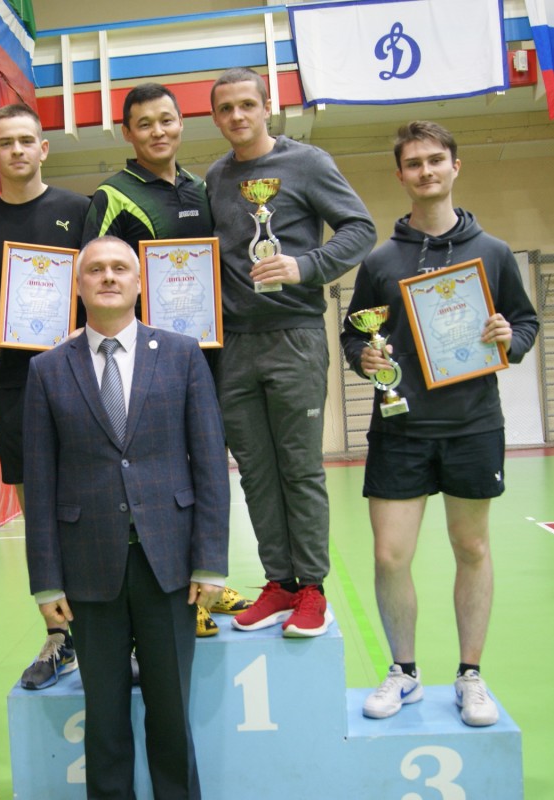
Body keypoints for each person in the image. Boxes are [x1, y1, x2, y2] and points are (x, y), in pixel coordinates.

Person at [339, 120, 539, 727]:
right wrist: (364, 356)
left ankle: (470, 675)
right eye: (414, 163)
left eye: (435, 160)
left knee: (471, 546)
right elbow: (354, 333)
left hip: (473, 424)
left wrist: (508, 339)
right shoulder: (381, 260)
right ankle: (403, 671)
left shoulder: (493, 252)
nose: (426, 171)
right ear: (400, 175)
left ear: (455, 166)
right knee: (389, 555)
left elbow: (525, 322)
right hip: (400, 427)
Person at [24, 236, 229, 800]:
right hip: (88, 569)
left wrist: (211, 560)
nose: (108, 277)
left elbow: (210, 463)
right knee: (105, 719)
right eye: (96, 269)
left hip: (172, 566)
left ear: (139, 283)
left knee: (172, 714)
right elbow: (39, 484)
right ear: (78, 286)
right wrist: (46, 581)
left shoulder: (183, 354)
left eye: (120, 268)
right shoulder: (47, 370)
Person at [206, 67, 375, 638]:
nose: (237, 116)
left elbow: (360, 229)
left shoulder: (308, 163)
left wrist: (306, 266)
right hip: (234, 345)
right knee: (255, 472)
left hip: (295, 336)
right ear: (215, 117)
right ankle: (278, 582)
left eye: (246, 104)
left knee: (299, 469)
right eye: (225, 108)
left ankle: (312, 589)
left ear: (267, 107)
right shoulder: (215, 178)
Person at [84, 81, 250, 636]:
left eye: (167, 120)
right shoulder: (112, 196)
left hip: (206, 355)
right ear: (127, 133)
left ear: (182, 123)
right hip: (144, 364)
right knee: (162, 474)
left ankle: (208, 580)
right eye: (145, 124)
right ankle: (178, 596)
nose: (158, 131)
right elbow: (94, 275)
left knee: (208, 466)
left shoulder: (201, 189)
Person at [0, 103, 89, 690]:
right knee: (40, 516)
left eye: (26, 140)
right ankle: (60, 636)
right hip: (14, 388)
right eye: (5, 142)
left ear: (43, 148)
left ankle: (113, 630)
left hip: (83, 379)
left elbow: (105, 288)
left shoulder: (80, 212)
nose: (17, 150)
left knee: (99, 502)